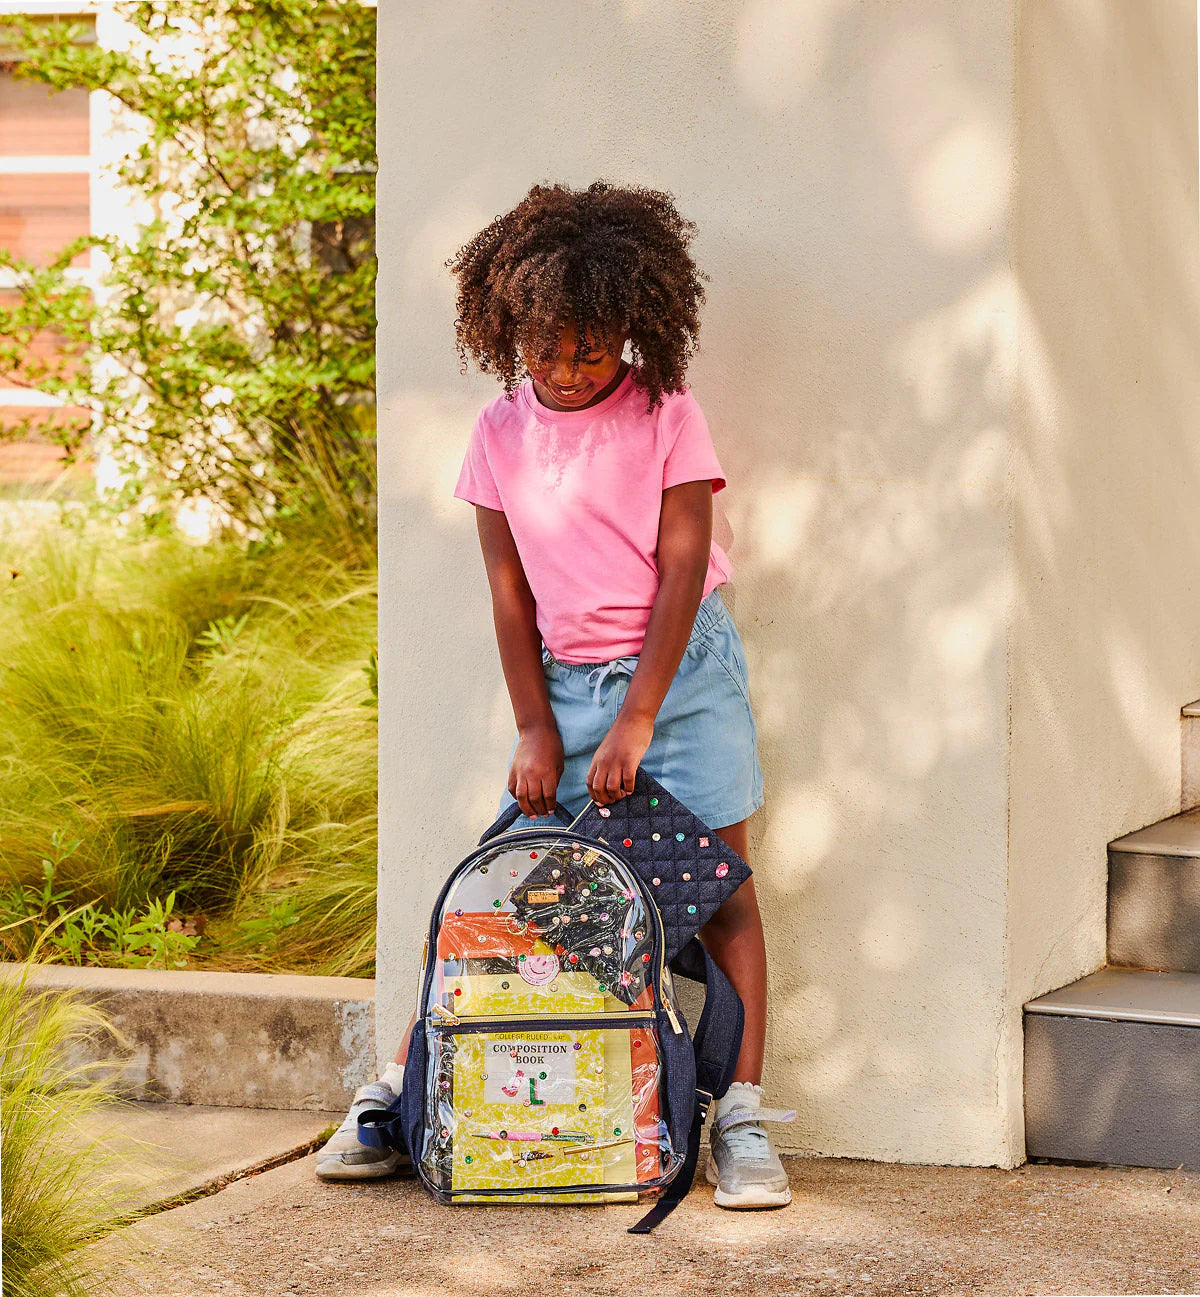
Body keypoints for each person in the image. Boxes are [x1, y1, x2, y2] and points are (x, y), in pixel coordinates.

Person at [316, 180, 790, 1210]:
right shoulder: (499, 431)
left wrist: (640, 717)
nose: (569, 370)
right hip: (565, 684)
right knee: (500, 898)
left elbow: (681, 566)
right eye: (547, 348)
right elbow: (508, 589)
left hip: (684, 673)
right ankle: (405, 1093)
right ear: (508, 330)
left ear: (633, 328)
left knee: (721, 893)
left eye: (592, 348)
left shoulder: (666, 409)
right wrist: (538, 724)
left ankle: (742, 1115)